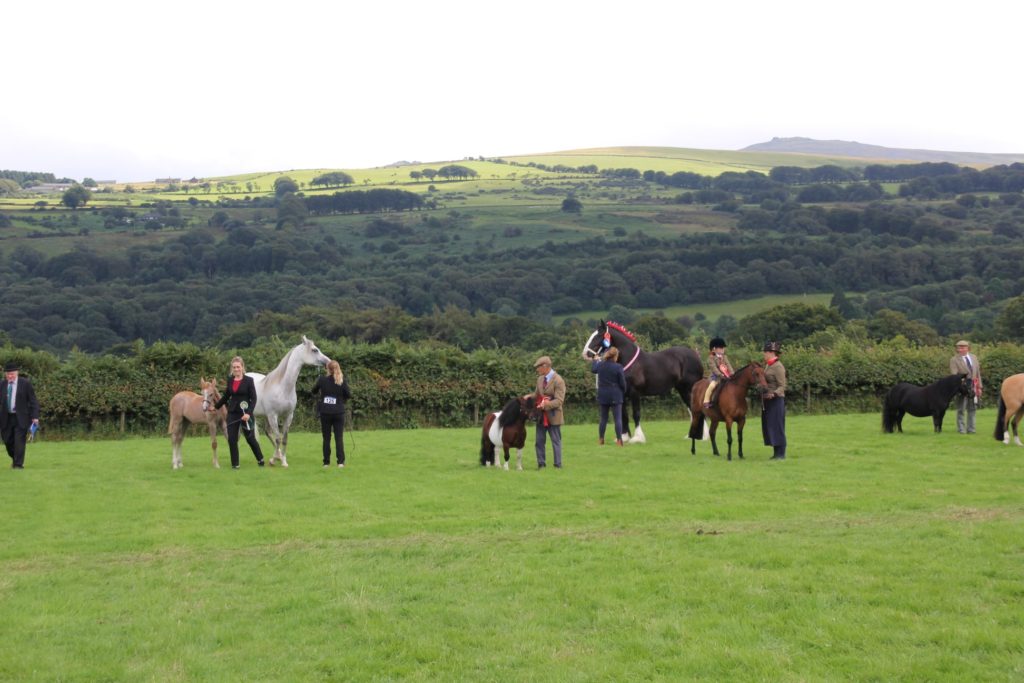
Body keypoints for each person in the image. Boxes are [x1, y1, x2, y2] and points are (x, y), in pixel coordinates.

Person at [212, 356, 265, 469]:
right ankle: (235, 465)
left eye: (238, 367)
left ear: (242, 367)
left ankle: (260, 459)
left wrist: (248, 414)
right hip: (232, 413)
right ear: (232, 368)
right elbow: (226, 396)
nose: (236, 369)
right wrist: (216, 407)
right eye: (234, 367)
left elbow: (253, 399)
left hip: (246, 414)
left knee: (250, 438)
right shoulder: (230, 380)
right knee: (232, 439)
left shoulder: (249, 381)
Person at [311, 360, 351, 468]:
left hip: (326, 412)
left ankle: (326, 462)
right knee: (339, 438)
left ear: (328, 369)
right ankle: (340, 462)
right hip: (339, 412)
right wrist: (341, 399)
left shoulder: (322, 380)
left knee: (326, 438)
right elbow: (348, 394)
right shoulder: (341, 380)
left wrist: (319, 386)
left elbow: (313, 391)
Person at [1, 362, 40, 469]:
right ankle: (15, 459)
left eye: (12, 374)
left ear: (17, 373)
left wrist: (35, 416)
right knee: (8, 441)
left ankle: (18, 465)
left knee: (19, 442)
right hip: (6, 418)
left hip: (21, 418)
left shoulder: (25, 384)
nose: (10, 376)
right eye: (8, 374)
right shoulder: (2, 384)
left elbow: (33, 401)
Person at [589, 346, 627, 446]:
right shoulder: (618, 367)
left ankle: (601, 439)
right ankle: (619, 440)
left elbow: (593, 369)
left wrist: (595, 360)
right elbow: (622, 383)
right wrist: (623, 391)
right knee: (617, 419)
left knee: (603, 419)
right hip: (615, 394)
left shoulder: (600, 365)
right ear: (615, 356)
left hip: (603, 394)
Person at [533, 356, 566, 469]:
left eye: (538, 367)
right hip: (541, 416)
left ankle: (558, 465)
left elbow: (559, 401)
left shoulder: (558, 380)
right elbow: (536, 395)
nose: (537, 369)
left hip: (554, 416)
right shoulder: (540, 379)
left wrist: (546, 404)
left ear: (545, 366)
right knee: (539, 441)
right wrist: (526, 398)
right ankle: (541, 464)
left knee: (556, 441)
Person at [761, 341, 787, 460]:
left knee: (777, 426)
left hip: (776, 400)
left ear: (772, 353)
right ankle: (776, 453)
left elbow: (782, 386)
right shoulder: (768, 365)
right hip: (767, 400)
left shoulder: (778, 366)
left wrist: (774, 394)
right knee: (770, 426)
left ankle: (781, 454)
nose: (764, 354)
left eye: (765, 352)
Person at [949, 339, 982, 434]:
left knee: (972, 408)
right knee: (961, 409)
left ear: (968, 348)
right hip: (962, 386)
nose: (961, 349)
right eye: (959, 348)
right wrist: (961, 385)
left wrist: (979, 387)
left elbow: (978, 373)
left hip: (973, 385)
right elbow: (954, 375)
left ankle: (971, 429)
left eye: (963, 347)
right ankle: (961, 429)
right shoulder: (954, 360)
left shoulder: (974, 357)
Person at [702, 337, 734, 409]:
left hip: (726, 376)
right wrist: (721, 375)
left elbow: (728, 365)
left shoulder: (724, 357)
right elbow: (714, 368)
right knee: (712, 386)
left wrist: (732, 373)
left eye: (723, 348)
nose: (723, 349)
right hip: (716, 377)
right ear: (714, 349)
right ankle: (706, 401)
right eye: (721, 348)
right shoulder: (711, 358)